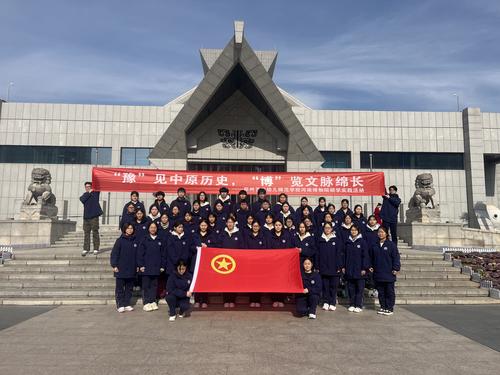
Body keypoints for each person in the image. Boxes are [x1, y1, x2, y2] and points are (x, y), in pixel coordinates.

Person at [369, 226, 401, 316]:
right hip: (378, 272)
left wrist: (396, 268)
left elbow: (396, 257)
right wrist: (370, 266)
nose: (380, 233)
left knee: (389, 291)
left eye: (382, 232)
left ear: (386, 234)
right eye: (379, 232)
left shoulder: (391, 245)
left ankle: (389, 307)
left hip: (389, 272)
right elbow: (370, 257)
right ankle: (383, 307)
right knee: (381, 292)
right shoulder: (375, 245)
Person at [137, 222, 166, 312]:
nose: (153, 229)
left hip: (156, 267)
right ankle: (146, 302)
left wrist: (162, 266)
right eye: (151, 227)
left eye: (154, 227)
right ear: (148, 229)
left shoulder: (160, 239)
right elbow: (140, 253)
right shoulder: (144, 239)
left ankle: (153, 301)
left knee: (154, 285)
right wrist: (141, 265)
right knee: (146, 286)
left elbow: (163, 254)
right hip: (146, 267)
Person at [110, 223, 138, 313]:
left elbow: (137, 255)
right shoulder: (120, 241)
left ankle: (127, 304)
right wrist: (114, 265)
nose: (130, 230)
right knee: (120, 288)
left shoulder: (135, 241)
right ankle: (120, 304)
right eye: (128, 228)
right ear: (124, 229)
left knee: (129, 288)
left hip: (131, 268)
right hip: (121, 268)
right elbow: (114, 254)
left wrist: (137, 265)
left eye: (131, 228)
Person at [316, 222, 344, 311]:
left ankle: (332, 302)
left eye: (329, 228)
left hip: (334, 268)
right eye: (325, 228)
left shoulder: (336, 240)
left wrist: (339, 266)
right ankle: (326, 302)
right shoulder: (320, 239)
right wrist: (317, 266)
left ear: (332, 229)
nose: (327, 229)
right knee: (325, 287)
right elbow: (317, 254)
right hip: (323, 267)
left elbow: (339, 254)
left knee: (333, 286)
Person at [218, 217, 244, 308]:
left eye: (231, 222)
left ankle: (232, 300)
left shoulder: (238, 234)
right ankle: (226, 300)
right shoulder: (222, 234)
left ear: (234, 223)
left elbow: (242, 247)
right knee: (225, 282)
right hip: (224, 262)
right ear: (226, 223)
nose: (230, 224)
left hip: (235, 262)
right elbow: (218, 246)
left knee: (233, 281)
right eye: (228, 222)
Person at [344, 225, 370, 313]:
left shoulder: (362, 242)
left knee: (359, 289)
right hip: (350, 269)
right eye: (352, 230)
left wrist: (364, 268)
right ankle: (351, 304)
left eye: (355, 230)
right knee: (351, 288)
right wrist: (344, 266)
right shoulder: (348, 241)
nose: (353, 231)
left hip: (360, 270)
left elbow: (365, 256)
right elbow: (344, 255)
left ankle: (358, 305)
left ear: (358, 231)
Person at [267, 220, 293, 308]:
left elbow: (289, 248)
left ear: (282, 226)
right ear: (274, 226)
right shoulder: (270, 236)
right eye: (276, 225)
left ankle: (281, 299)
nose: (278, 226)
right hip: (273, 263)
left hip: (283, 263)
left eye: (279, 225)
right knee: (273, 281)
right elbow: (268, 249)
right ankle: (274, 299)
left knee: (282, 281)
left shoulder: (286, 235)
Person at [80, 181, 103, 256]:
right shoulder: (85, 195)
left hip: (94, 217)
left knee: (95, 232)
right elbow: (82, 199)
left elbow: (98, 187)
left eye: (89, 186)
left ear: (92, 187)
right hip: (86, 217)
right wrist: (88, 192)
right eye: (86, 187)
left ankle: (96, 248)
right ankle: (86, 249)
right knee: (86, 233)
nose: (87, 188)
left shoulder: (95, 193)